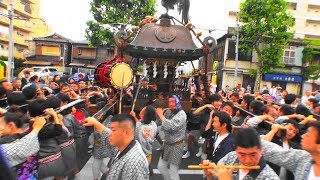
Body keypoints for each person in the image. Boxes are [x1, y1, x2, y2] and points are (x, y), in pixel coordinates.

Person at [84, 114, 149, 180]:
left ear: (126, 132)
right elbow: (106, 133)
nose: (110, 134)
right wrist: (95, 123)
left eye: (113, 130)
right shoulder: (122, 147)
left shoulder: (134, 163)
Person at [204, 128, 279, 180]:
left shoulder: (269, 177)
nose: (248, 160)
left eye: (253, 155)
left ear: (261, 149)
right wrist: (209, 176)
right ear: (236, 150)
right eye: (242, 155)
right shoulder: (231, 157)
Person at [155, 95, 187, 180]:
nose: (171, 104)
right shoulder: (168, 112)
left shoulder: (182, 114)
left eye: (173, 101)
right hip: (167, 144)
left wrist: (161, 115)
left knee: (173, 171)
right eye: (169, 102)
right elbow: (159, 122)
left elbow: (172, 126)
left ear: (177, 102)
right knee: (161, 166)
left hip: (176, 145)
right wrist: (158, 116)